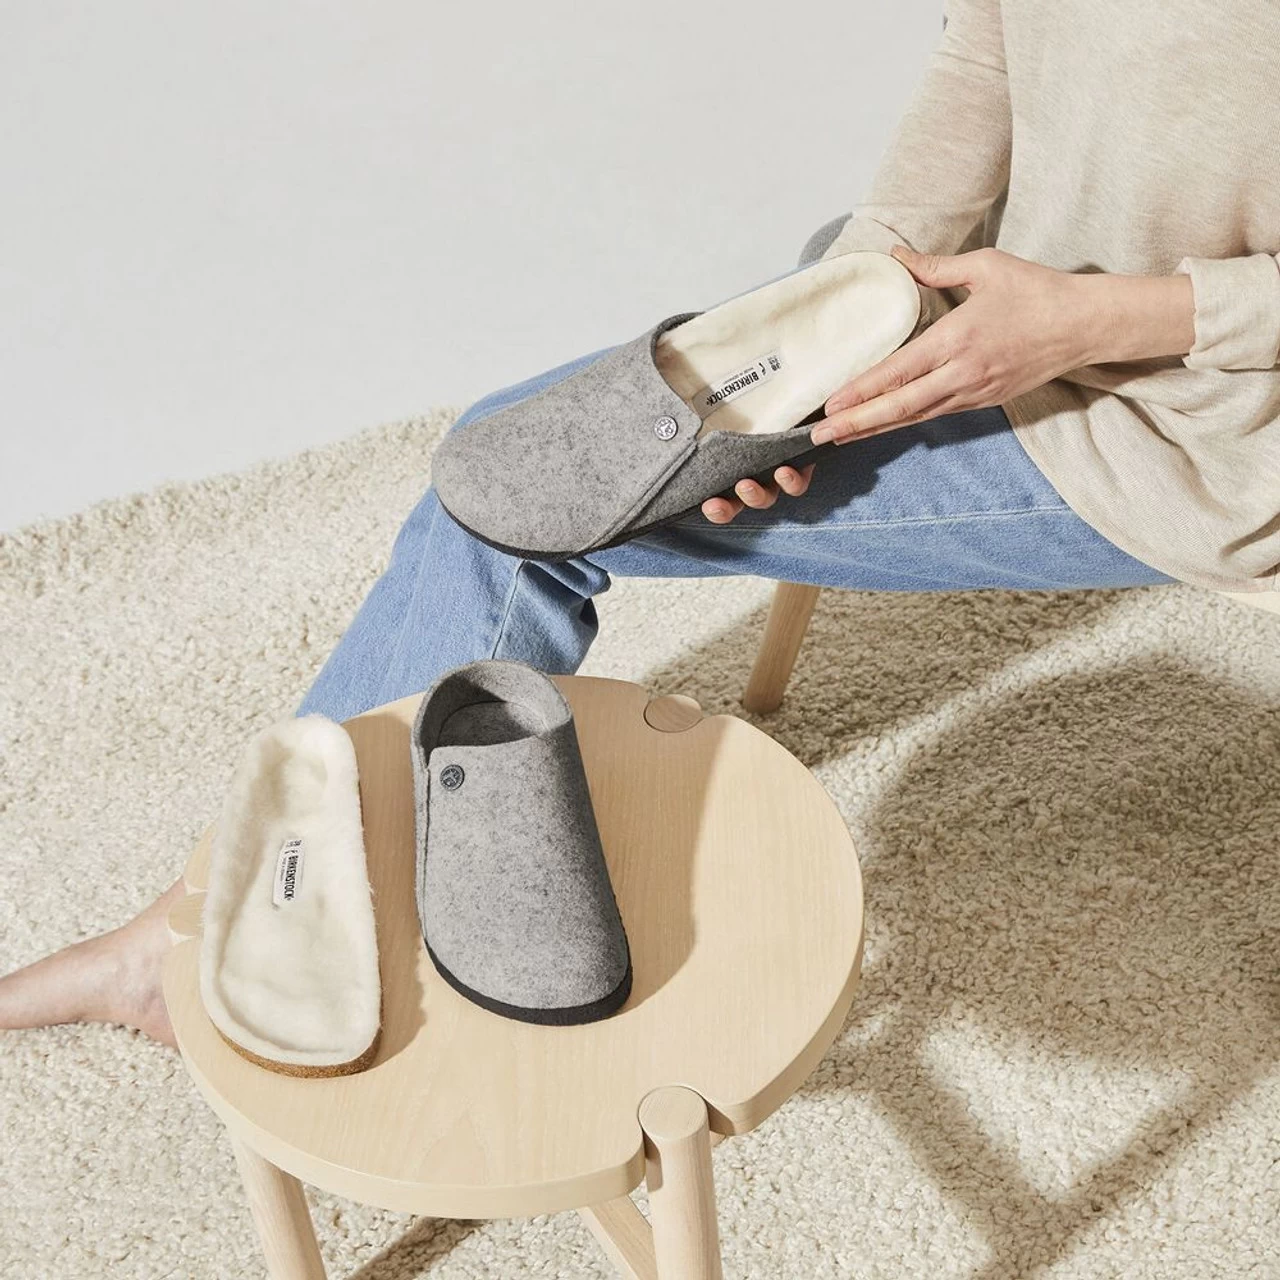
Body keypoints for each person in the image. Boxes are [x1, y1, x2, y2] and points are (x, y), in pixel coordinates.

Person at [2, 0, 1276, 1046]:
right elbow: (992, 45)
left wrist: (1089, 321)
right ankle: (250, 900)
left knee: (508, 524)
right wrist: (855, 302)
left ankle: (194, 938)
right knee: (508, 458)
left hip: (1196, 427)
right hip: (986, 300)